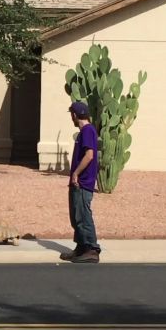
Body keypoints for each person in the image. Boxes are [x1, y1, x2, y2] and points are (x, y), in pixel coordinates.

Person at [61, 101, 101, 263]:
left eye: (72, 114)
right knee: (76, 216)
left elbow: (89, 155)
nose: (71, 117)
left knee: (83, 215)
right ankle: (81, 247)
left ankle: (91, 248)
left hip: (83, 182)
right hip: (78, 182)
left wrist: (76, 174)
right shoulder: (84, 132)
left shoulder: (88, 131)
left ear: (75, 115)